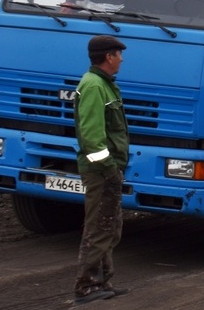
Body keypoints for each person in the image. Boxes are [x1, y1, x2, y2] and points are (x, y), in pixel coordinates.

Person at [72, 35, 130, 305]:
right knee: (98, 227)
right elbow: (93, 136)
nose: (121, 59)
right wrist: (109, 169)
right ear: (109, 57)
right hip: (101, 171)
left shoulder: (103, 85)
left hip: (108, 169)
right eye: (119, 54)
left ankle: (103, 280)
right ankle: (86, 286)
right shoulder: (95, 86)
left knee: (110, 226)